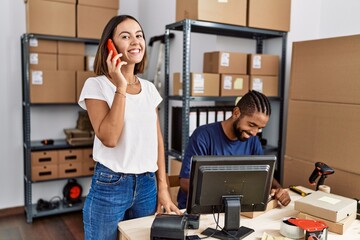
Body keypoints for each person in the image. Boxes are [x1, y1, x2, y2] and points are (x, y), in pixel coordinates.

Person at [78, 15, 181, 240]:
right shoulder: (96, 85)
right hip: (110, 184)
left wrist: (163, 187)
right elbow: (110, 137)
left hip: (147, 185)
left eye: (139, 35)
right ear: (110, 46)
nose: (136, 41)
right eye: (125, 36)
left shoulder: (150, 89)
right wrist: (121, 86)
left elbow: (157, 140)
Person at [177, 90, 291, 209]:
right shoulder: (202, 136)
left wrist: (278, 189)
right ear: (236, 113)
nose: (254, 132)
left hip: (236, 208)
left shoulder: (253, 141)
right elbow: (185, 182)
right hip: (200, 209)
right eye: (251, 125)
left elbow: (264, 174)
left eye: (260, 128)